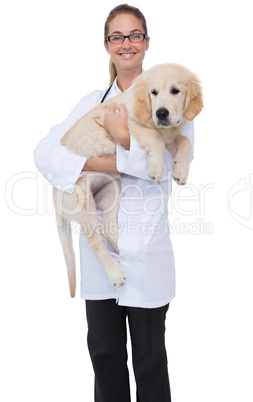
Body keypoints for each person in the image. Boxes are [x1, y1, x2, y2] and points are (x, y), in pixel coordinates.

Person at [34, 4, 194, 401]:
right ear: (107, 45)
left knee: (150, 361)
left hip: (146, 252)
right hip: (99, 256)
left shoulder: (171, 96)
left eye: (135, 35)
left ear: (147, 42)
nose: (127, 44)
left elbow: (165, 165)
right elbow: (44, 153)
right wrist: (98, 159)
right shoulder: (93, 100)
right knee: (104, 357)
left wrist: (122, 138)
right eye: (117, 36)